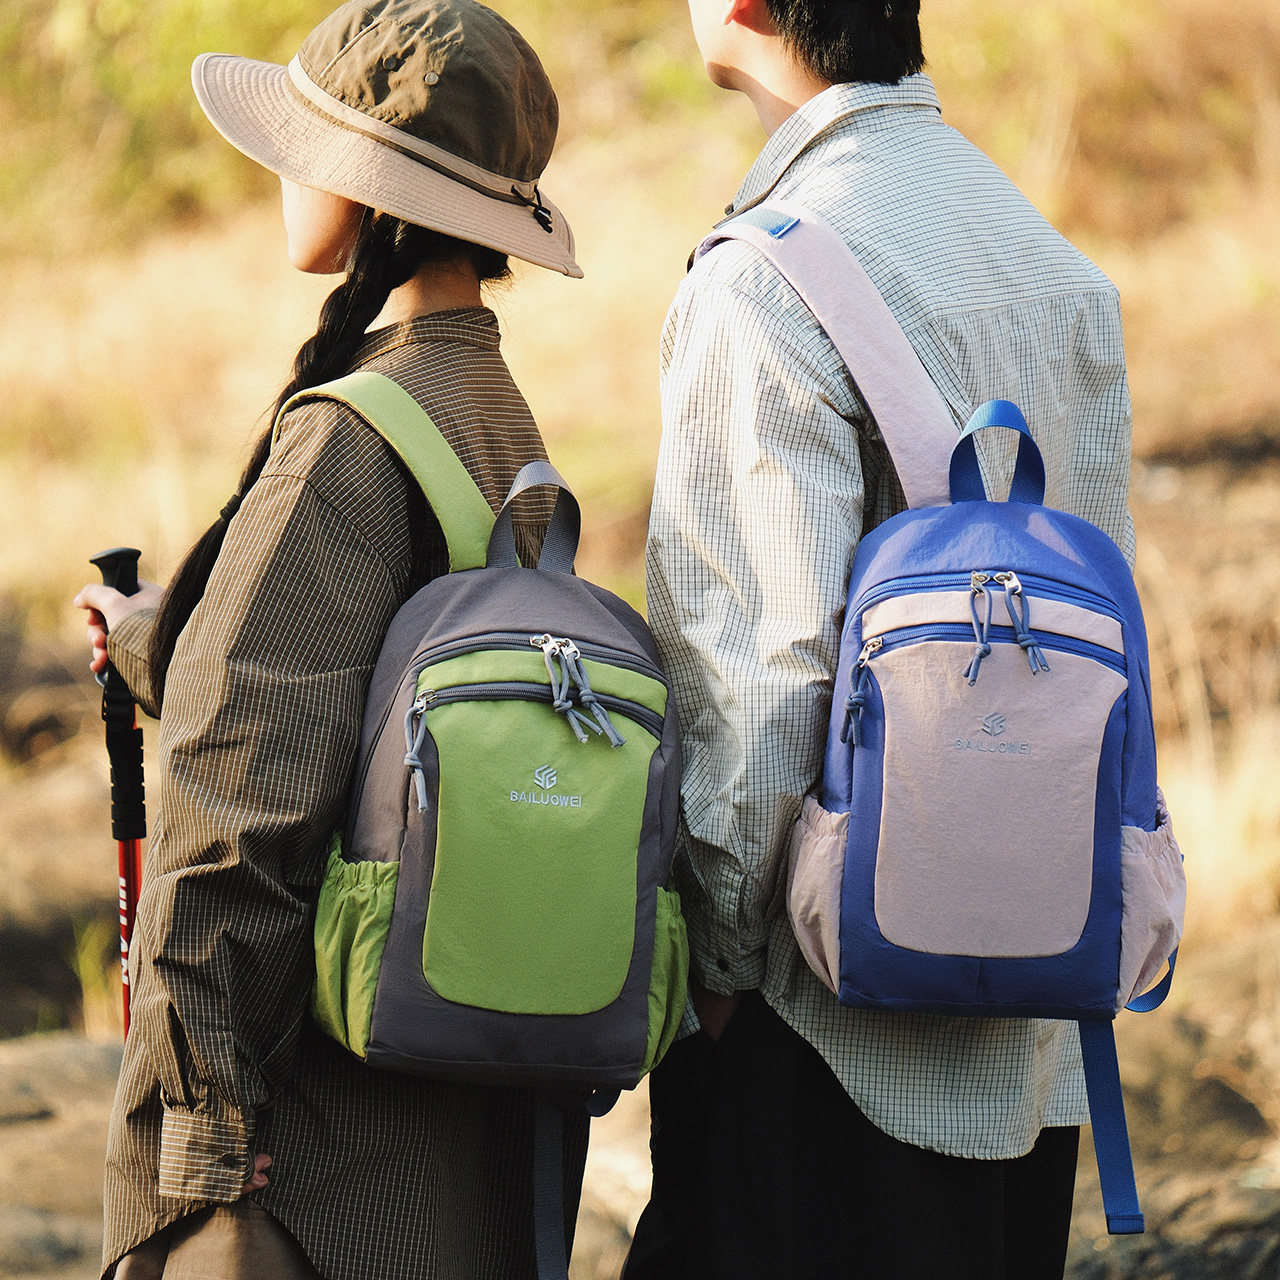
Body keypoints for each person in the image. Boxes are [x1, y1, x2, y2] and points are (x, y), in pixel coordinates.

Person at [625, 2, 1136, 1278]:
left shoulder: (761, 282)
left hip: (824, 1032)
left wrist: (723, 971)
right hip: (1040, 1013)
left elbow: (755, 681)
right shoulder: (1052, 264)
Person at [73, 2, 583, 1277]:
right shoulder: (497, 416)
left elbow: (232, 807)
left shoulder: (350, 438)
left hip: (303, 1178)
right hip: (463, 1156)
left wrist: (195, 1146)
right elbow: (362, 697)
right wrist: (159, 645)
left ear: (369, 190)